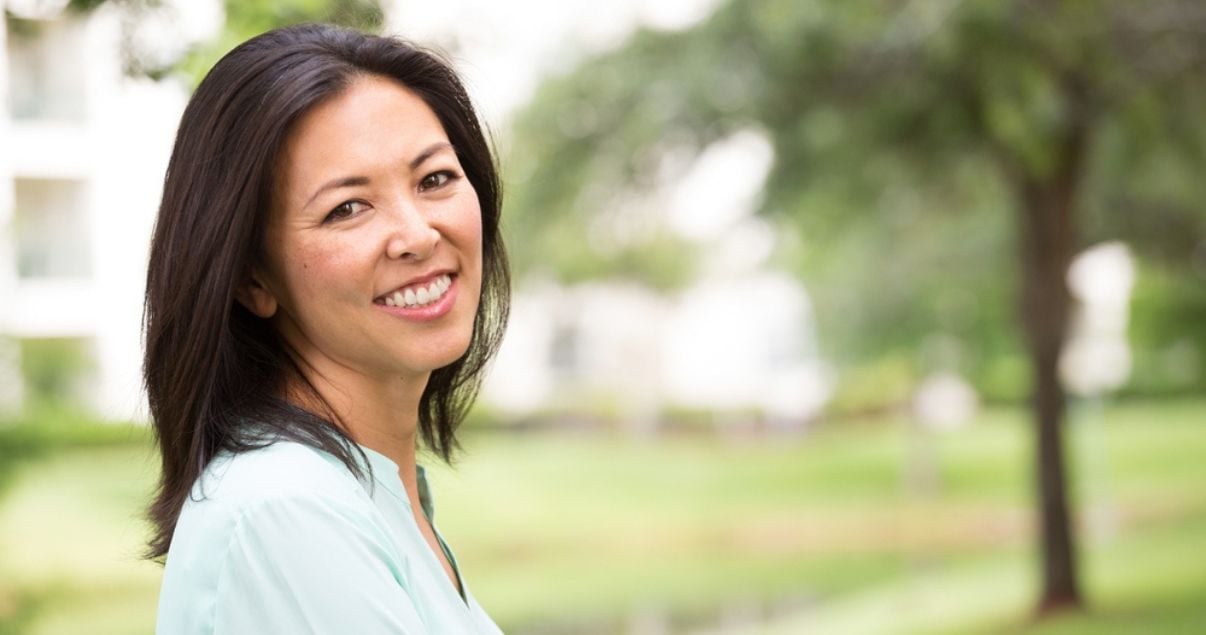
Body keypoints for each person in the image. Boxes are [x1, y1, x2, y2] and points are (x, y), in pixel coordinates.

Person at [144, 23, 509, 633]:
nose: (418, 234)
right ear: (252, 279)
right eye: (347, 208)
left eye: (435, 179)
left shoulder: (363, 494)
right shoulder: (287, 511)